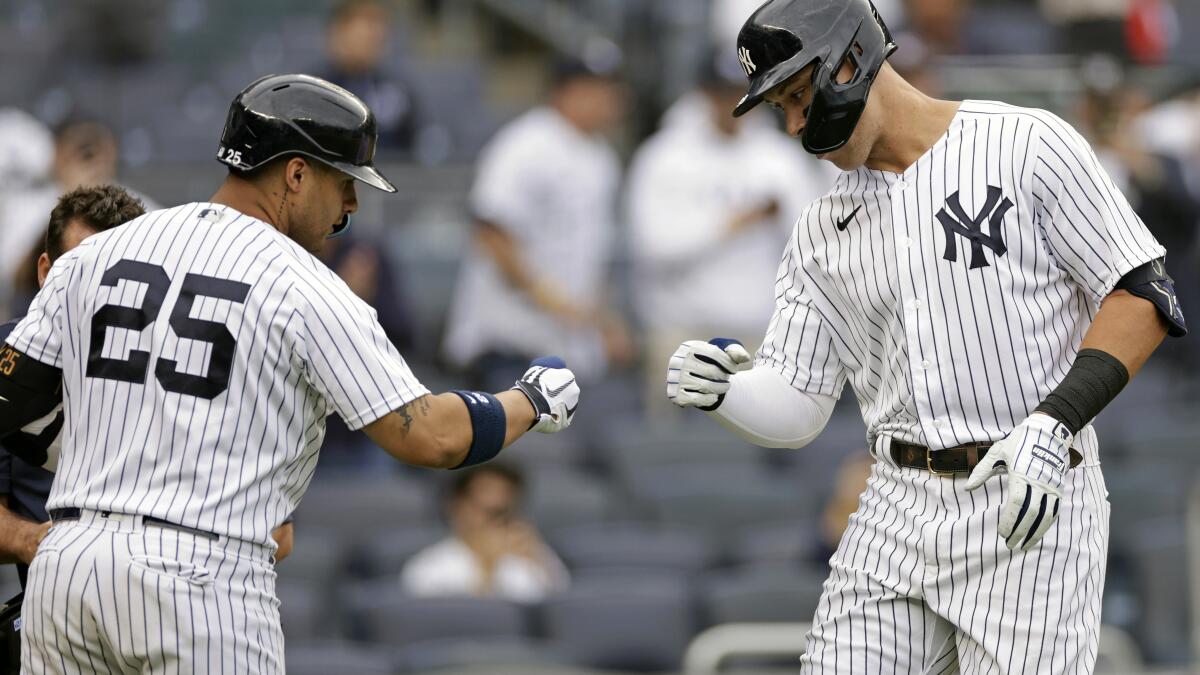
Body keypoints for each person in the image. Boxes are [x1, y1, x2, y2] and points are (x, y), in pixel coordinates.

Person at [667, 0, 1185, 671]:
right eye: (780, 108)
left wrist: (1056, 422)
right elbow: (798, 401)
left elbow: (1143, 292)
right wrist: (725, 394)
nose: (795, 123)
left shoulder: (1025, 142)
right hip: (895, 501)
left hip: (1028, 499)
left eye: (799, 94)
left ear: (851, 59)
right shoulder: (821, 229)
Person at [0, 74, 580, 673]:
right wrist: (530, 400)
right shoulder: (304, 285)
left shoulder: (97, 255)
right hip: (199, 581)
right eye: (344, 182)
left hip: (66, 569)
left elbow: (8, 401)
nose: (352, 205)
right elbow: (432, 435)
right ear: (296, 174)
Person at [627, 51, 832, 416]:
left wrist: (772, 217)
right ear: (702, 95)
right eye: (720, 94)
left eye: (737, 94)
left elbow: (814, 245)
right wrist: (737, 221)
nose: (730, 105)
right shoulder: (663, 157)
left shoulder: (779, 160)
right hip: (680, 336)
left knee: (755, 453)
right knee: (674, 458)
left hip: (760, 337)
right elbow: (655, 248)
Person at [442, 59, 633, 393]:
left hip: (566, 349)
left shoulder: (602, 158)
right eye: (594, 88)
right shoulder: (526, 143)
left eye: (609, 89)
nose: (607, 99)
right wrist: (556, 302)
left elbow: (590, 256)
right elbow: (492, 234)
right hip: (508, 344)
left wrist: (603, 322)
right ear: (563, 92)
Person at [402, 463, 569, 602]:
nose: (497, 501)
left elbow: (563, 606)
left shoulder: (531, 552)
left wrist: (538, 560)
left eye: (503, 510)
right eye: (487, 510)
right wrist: (487, 568)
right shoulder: (428, 567)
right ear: (457, 506)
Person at [321, 0, 421, 154]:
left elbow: (415, 151)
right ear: (338, 32)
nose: (374, 33)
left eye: (378, 23)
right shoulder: (314, 89)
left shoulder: (397, 91)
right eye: (365, 23)